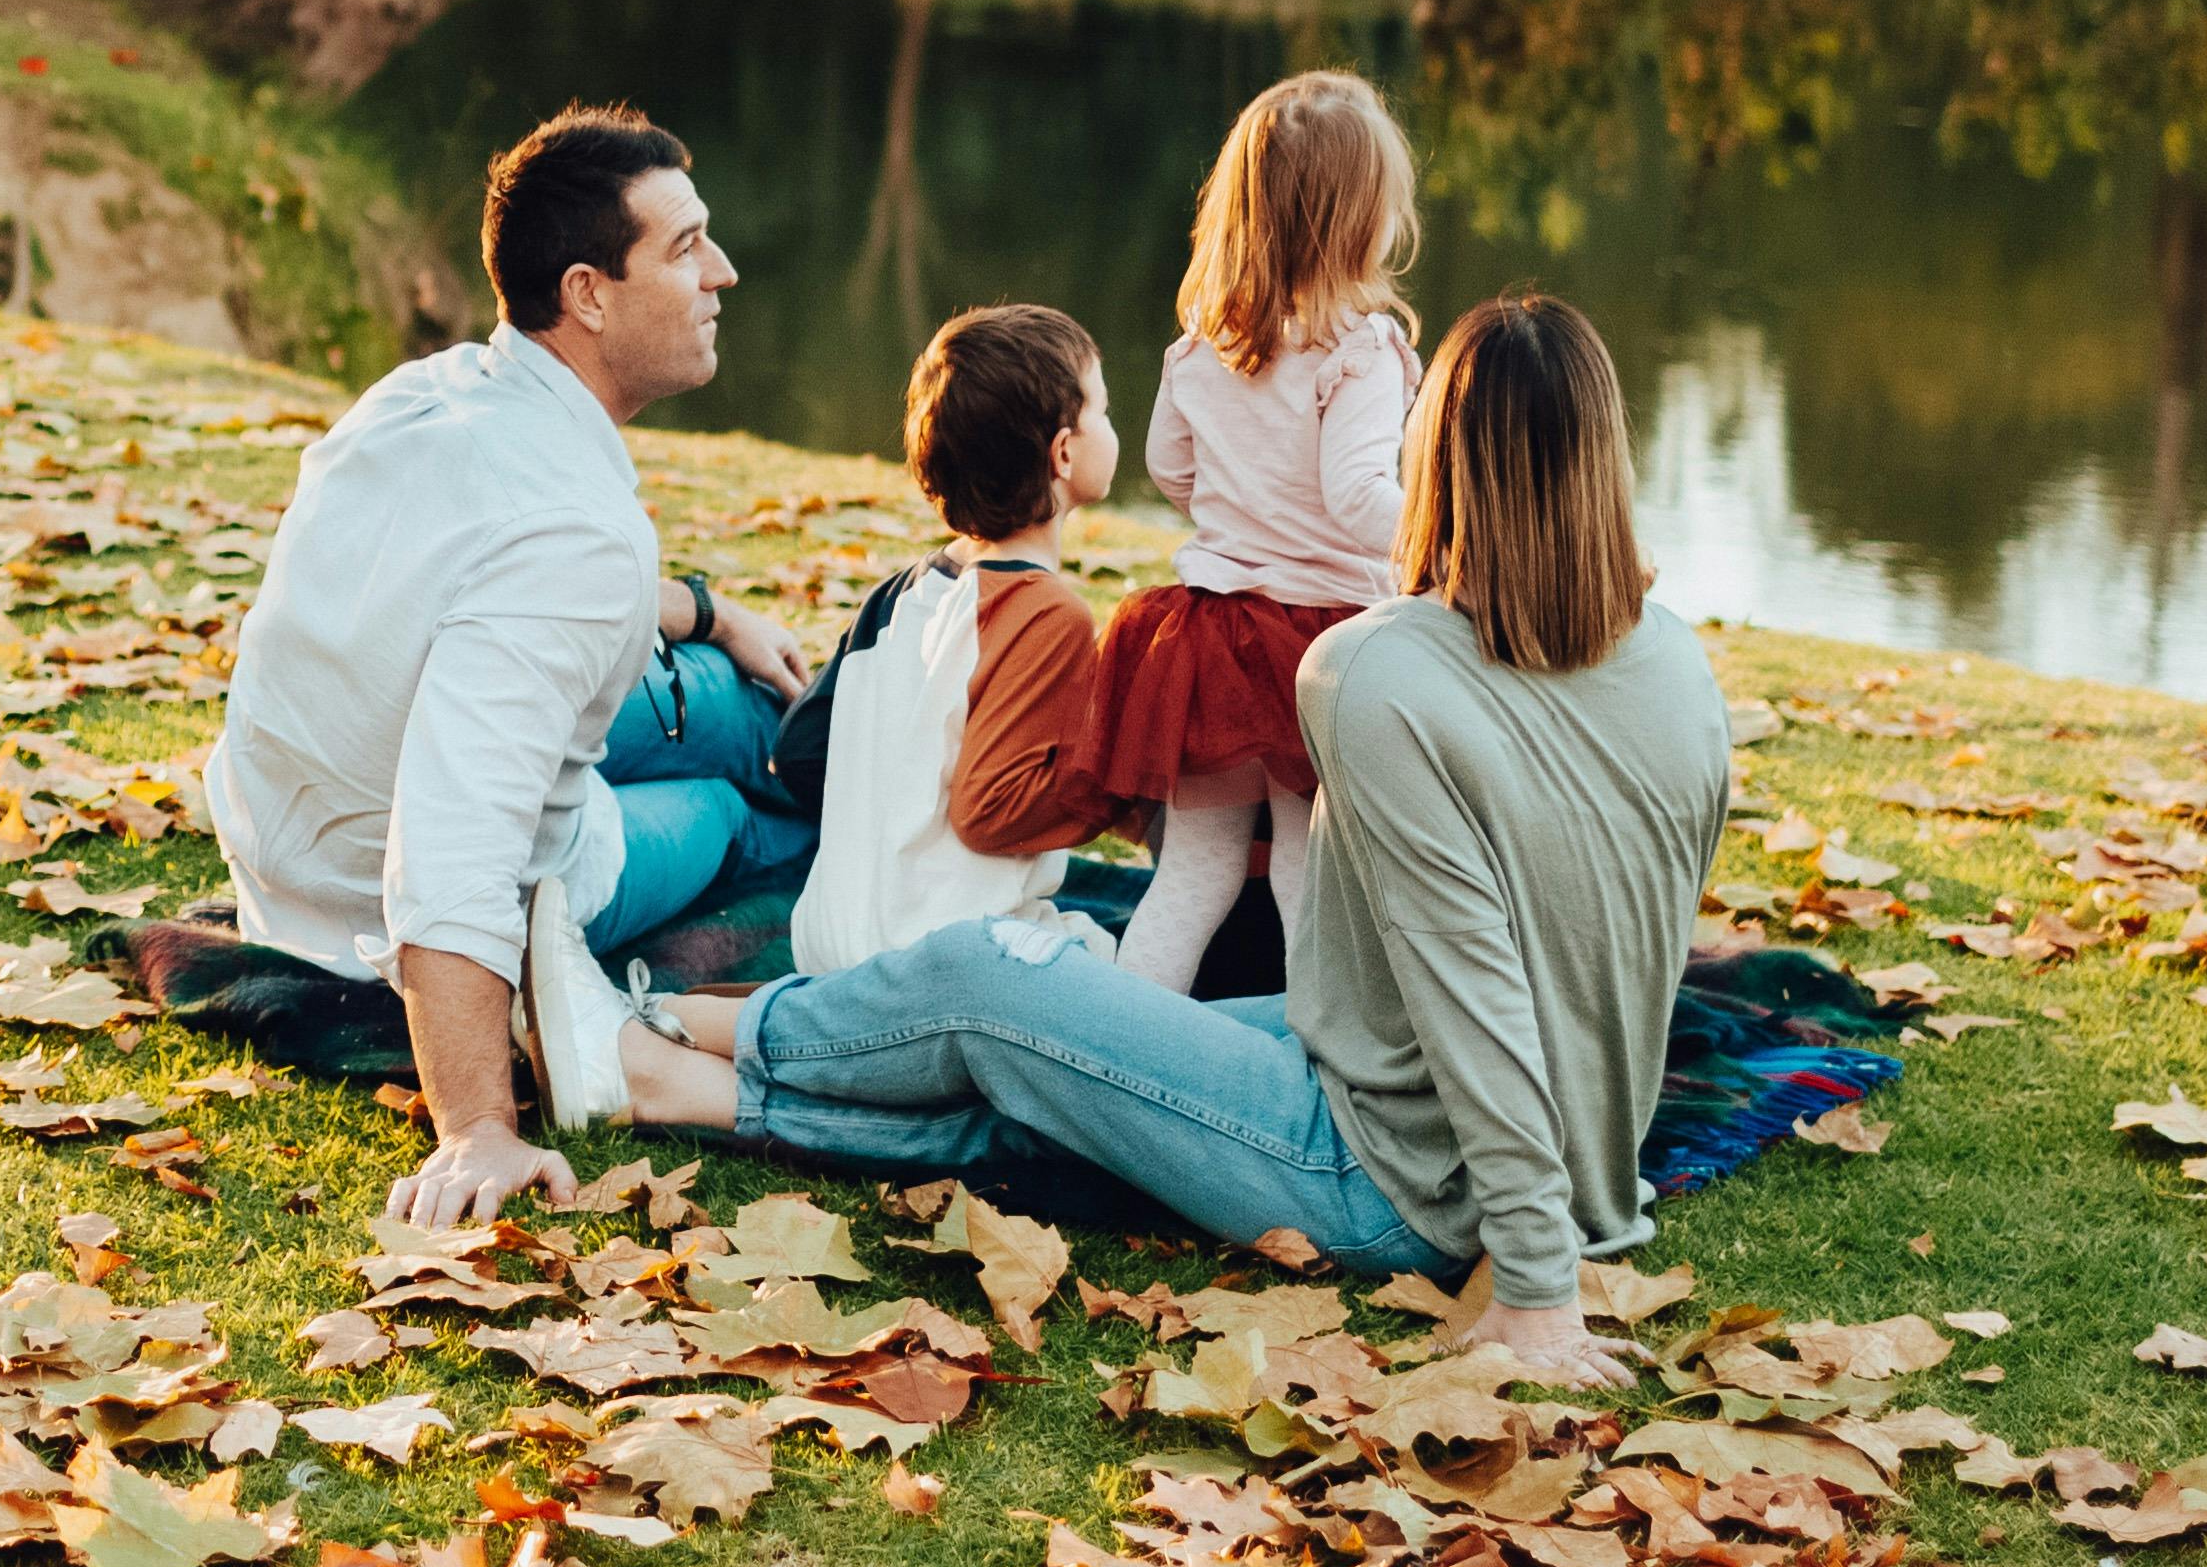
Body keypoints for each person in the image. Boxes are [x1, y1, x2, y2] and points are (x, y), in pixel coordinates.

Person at [614, 293, 1729, 1391]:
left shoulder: (1376, 667)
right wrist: (1576, 1191)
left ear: (1430, 457)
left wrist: (1535, 1279)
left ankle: (672, 1032)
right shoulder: (1677, 662)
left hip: (1384, 1170)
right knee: (1059, 1066)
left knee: (993, 975)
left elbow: (1473, 977)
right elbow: (1620, 951)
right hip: (1491, 1122)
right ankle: (699, 1085)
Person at [204, 104, 807, 1225]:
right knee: (727, 812)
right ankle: (833, 815)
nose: (721, 271)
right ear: (587, 292)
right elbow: (455, 838)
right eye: (684, 249)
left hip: (292, 822)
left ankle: (812, 740)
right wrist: (476, 1128)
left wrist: (710, 612)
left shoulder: (432, 394)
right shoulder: (572, 537)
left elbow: (496, 584)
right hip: (379, 876)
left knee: (728, 695)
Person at [1091, 68, 1423, 990]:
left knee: (1190, 873)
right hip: (1315, 645)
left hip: (1207, 633)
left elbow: (1168, 467)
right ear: (1360, 219)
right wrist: (1440, 543)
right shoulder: (1359, 352)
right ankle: (1316, 1055)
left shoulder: (1203, 343)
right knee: (1306, 871)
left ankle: (1125, 1042)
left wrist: (1238, 512)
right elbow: (1360, 495)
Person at [790, 305, 1126, 975]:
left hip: (827, 944)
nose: (1114, 427)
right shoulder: (1046, 612)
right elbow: (991, 810)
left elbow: (800, 749)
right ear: (1063, 452)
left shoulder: (899, 594)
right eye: (1105, 410)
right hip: (938, 962)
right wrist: (1123, 780)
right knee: (1119, 952)